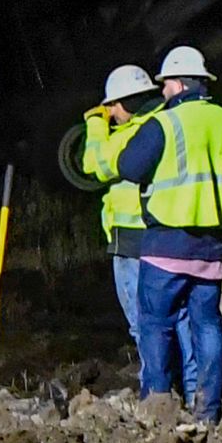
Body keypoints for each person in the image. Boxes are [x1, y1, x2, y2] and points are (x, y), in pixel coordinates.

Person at [109, 43, 222, 423]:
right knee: (207, 324)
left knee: (155, 324)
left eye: (164, 85)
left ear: (176, 84)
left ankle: (158, 405)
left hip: (166, 244)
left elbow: (128, 166)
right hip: (215, 247)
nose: (161, 93)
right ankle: (208, 410)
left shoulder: (166, 124)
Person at [77, 64, 156, 367]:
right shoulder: (159, 125)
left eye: (111, 106)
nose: (111, 113)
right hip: (160, 238)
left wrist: (96, 125)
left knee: (141, 323)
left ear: (121, 102)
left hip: (130, 239)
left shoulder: (127, 138)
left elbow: (92, 164)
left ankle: (157, 391)